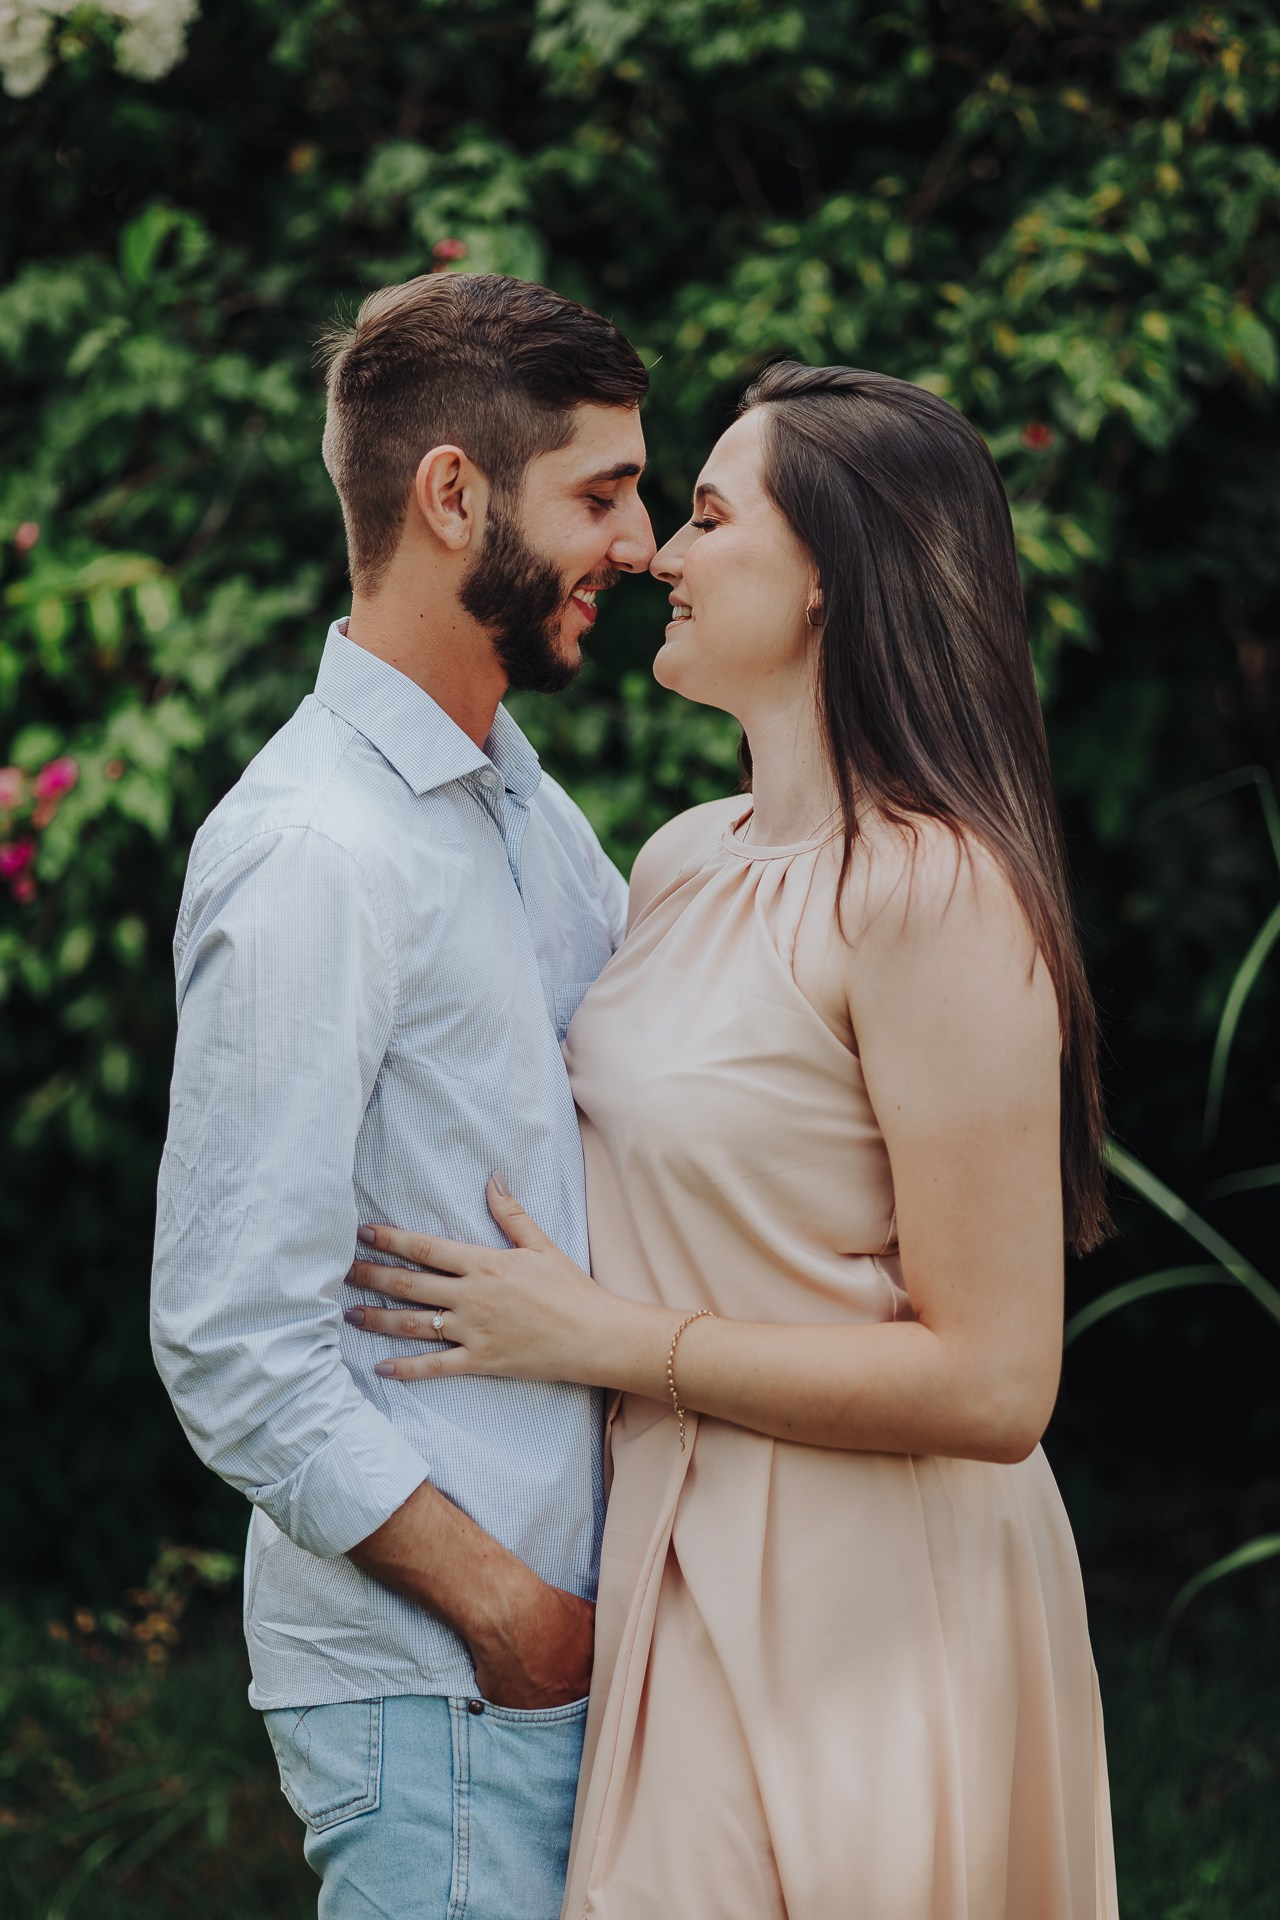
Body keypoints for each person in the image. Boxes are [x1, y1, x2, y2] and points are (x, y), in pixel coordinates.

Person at [345, 363, 1121, 1919]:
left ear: (836, 574)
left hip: (873, 1592)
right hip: (671, 1562)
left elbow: (995, 1380)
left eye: (704, 515)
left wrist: (603, 1336)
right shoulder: (685, 861)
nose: (654, 555)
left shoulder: (935, 895)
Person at [150, 271, 656, 1919]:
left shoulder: (513, 802)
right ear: (454, 495)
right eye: (602, 493)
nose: (640, 545)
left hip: (568, 1678)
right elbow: (231, 1337)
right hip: (444, 1692)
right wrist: (513, 1615)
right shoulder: (316, 852)